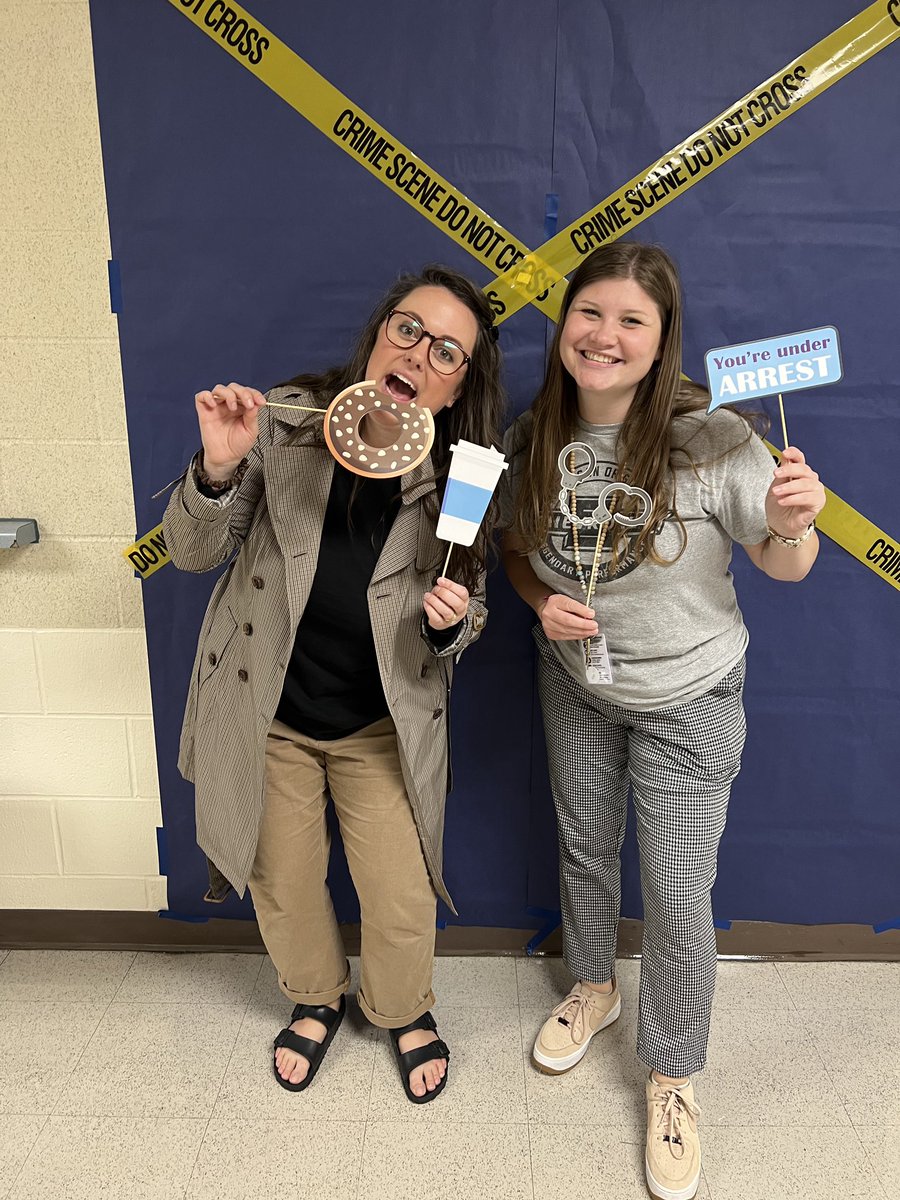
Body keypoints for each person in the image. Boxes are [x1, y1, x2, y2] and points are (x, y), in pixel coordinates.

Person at [501, 242, 825, 1200]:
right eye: (590, 314)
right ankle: (593, 986)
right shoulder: (534, 436)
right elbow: (521, 554)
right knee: (586, 848)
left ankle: (675, 1074)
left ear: (661, 337)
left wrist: (795, 520)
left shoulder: (716, 436)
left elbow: (783, 566)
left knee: (680, 895)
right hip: (576, 681)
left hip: (691, 694)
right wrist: (536, 603)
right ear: (565, 326)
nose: (605, 336)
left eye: (630, 320)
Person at [163, 265, 505, 1103]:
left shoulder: (457, 481)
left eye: (448, 350)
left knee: (399, 894)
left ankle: (403, 1008)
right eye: (408, 329)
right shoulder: (284, 424)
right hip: (265, 712)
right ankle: (315, 997)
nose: (420, 352)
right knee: (281, 877)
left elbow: (473, 614)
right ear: (380, 336)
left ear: (458, 387)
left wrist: (450, 619)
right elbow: (191, 551)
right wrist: (215, 469)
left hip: (378, 727)